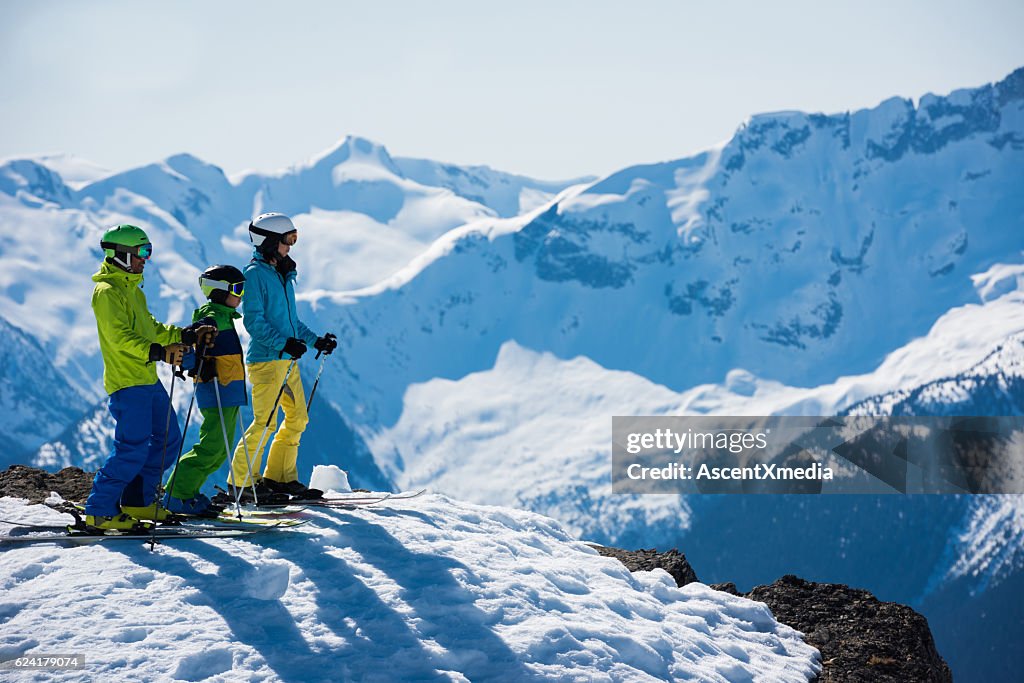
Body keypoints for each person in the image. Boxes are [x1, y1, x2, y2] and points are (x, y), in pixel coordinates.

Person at [84, 225, 217, 531]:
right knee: (132, 448)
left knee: (169, 440)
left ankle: (138, 501)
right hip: (127, 383)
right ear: (120, 255)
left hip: (146, 379)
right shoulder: (107, 293)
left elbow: (151, 328)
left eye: (148, 252)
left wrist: (184, 334)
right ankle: (100, 510)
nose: (146, 259)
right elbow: (120, 338)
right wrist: (158, 352)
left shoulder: (132, 289)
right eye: (141, 253)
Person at [227, 212, 337, 499]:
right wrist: (282, 344)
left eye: (294, 239)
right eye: (287, 240)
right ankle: (241, 483)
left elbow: (292, 323)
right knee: (265, 423)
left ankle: (279, 477)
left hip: (286, 361)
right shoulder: (254, 275)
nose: (291, 245)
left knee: (298, 418)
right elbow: (254, 322)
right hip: (265, 360)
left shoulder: (283, 274)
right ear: (269, 241)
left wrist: (316, 342)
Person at [162, 265, 248, 515]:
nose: (241, 295)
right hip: (217, 390)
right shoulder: (213, 314)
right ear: (220, 291)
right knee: (210, 448)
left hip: (229, 392)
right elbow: (204, 324)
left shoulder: (225, 316)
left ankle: (186, 494)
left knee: (219, 452)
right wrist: (201, 331)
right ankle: (175, 496)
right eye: (237, 289)